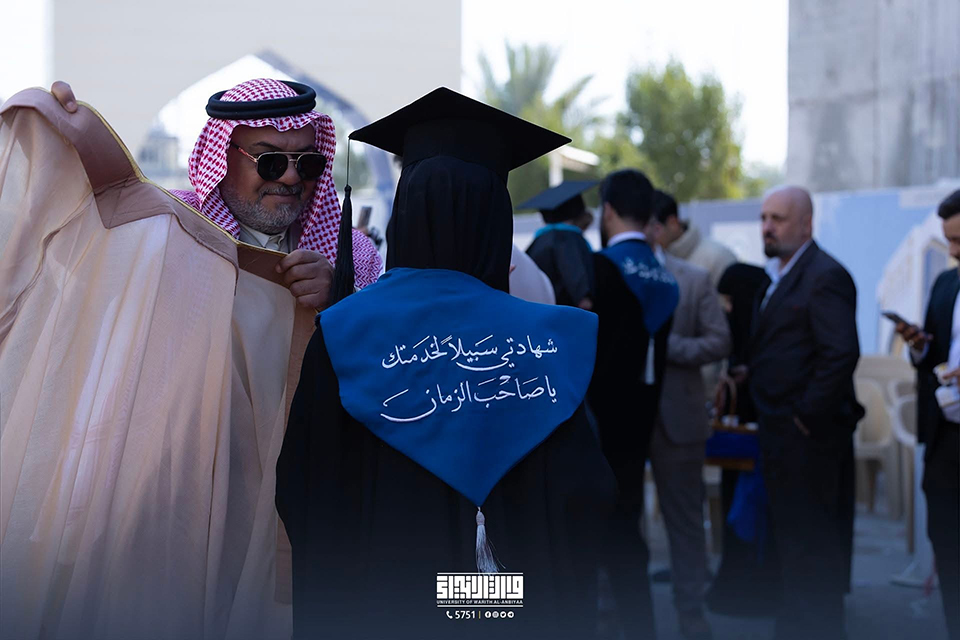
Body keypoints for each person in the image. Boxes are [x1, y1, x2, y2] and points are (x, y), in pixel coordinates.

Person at [275, 87, 616, 640]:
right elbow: (589, 498)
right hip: (512, 616)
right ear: (496, 219)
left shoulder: (345, 333)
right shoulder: (550, 342)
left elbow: (302, 490)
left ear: (405, 211)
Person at [50, 79, 383, 300]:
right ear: (220, 160)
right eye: (271, 162)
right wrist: (57, 148)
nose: (291, 178)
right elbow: (75, 262)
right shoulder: (168, 228)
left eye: (307, 163)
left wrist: (341, 297)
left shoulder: (354, 254)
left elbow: (383, 356)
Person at [744, 185, 862, 640]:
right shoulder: (780, 274)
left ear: (807, 224)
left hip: (809, 438)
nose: (767, 227)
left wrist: (804, 415)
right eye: (763, 218)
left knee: (813, 548)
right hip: (781, 431)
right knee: (792, 544)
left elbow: (840, 353)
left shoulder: (824, 275)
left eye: (778, 219)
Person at [589, 169, 680, 640]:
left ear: (607, 211)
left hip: (599, 422)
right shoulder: (664, 275)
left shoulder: (601, 268)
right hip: (643, 416)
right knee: (628, 522)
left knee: (605, 529)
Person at [648, 215, 731, 639]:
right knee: (616, 520)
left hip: (678, 416)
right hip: (623, 418)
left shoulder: (694, 278)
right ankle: (617, 611)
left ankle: (691, 609)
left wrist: (667, 348)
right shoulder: (607, 270)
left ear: (659, 227)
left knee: (685, 521)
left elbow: (720, 340)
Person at [894, 189, 960, 640]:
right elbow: (933, 353)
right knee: (947, 542)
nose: (953, 250)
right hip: (946, 439)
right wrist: (918, 346)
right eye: (949, 240)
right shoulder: (945, 284)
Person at [705, 262, 783, 619]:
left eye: (731, 302)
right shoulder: (746, 337)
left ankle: (752, 592)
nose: (727, 311)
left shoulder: (766, 339)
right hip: (743, 447)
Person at [520, 181, 598, 308]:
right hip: (567, 313)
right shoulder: (567, 239)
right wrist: (584, 299)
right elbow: (577, 282)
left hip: (540, 311)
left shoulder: (537, 242)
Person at [657, 190, 736, 288]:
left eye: (655, 228)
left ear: (673, 223)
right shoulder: (653, 259)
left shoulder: (718, 257)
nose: (647, 235)